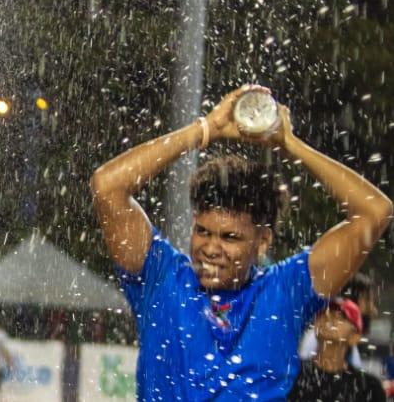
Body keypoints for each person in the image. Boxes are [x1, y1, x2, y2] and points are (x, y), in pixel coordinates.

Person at [89, 85, 393, 400]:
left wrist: (290, 144)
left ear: (262, 242)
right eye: (203, 231)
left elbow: (375, 212)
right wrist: (206, 129)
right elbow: (107, 185)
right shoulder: (161, 277)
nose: (210, 248)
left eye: (230, 237)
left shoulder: (287, 291)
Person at [289, 298, 386, 401]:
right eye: (325, 313)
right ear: (316, 324)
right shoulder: (290, 374)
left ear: (355, 337)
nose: (330, 318)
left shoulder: (368, 387)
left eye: (342, 316)